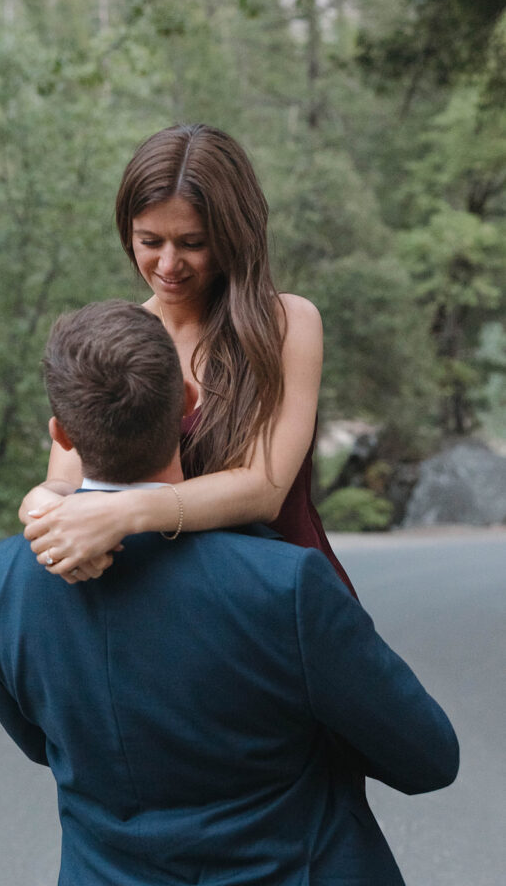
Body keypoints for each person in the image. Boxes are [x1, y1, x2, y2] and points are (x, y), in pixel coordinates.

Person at [0, 300, 459, 886]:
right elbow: (429, 758)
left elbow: (39, 743)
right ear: (186, 403)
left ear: (61, 433)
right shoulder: (284, 585)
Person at [21, 123, 356, 593]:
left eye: (193, 243)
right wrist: (43, 511)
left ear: (233, 235)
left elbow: (264, 488)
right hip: (176, 601)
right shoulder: (117, 341)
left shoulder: (286, 324)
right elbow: (62, 482)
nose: (168, 265)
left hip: (282, 596)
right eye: (150, 241)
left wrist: (120, 514)